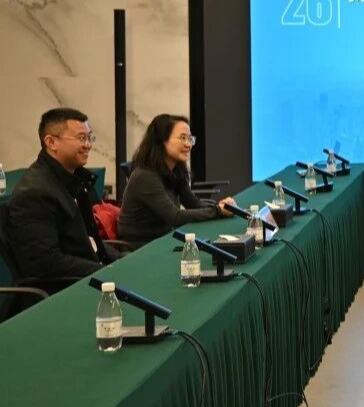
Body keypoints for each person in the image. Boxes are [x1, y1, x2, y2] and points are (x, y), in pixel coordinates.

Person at [3, 108, 118, 292]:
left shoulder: (75, 180)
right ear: (51, 142)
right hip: (67, 290)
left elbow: (88, 241)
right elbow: (45, 263)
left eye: (90, 138)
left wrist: (121, 262)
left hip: (89, 275)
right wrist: (106, 272)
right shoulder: (34, 193)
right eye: (81, 138)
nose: (88, 145)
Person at [117, 114, 236, 248]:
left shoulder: (175, 169)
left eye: (190, 139)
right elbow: (175, 217)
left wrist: (221, 206)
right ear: (161, 140)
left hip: (163, 239)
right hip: (140, 247)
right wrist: (217, 211)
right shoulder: (145, 176)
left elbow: (194, 203)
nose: (188, 144)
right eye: (182, 138)